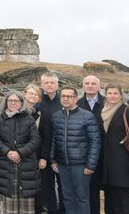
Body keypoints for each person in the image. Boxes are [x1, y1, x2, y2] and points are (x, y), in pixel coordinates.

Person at [50, 86, 101, 214]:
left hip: (81, 166)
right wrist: (52, 160)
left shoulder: (87, 116)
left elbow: (95, 142)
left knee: (82, 198)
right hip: (62, 165)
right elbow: (54, 139)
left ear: (76, 98)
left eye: (69, 96)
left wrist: (90, 165)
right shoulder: (56, 116)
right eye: (63, 96)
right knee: (67, 198)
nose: (65, 99)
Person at [0, 91, 41, 214]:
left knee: (26, 205)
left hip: (26, 164)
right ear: (6, 102)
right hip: (6, 164)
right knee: (9, 203)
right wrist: (7, 152)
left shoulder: (28, 118)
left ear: (21, 103)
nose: (13, 103)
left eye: (16, 100)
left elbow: (35, 139)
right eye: (10, 100)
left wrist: (20, 153)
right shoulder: (0, 118)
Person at [76, 75, 106, 214]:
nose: (90, 86)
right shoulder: (77, 103)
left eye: (93, 83)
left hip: (106, 152)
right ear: (83, 86)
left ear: (99, 86)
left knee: (105, 189)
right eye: (87, 83)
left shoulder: (107, 102)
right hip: (83, 153)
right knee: (85, 189)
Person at [36, 72, 65, 214]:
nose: (49, 85)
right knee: (46, 186)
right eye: (46, 82)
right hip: (42, 152)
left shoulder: (63, 101)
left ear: (57, 85)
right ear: (41, 85)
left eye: (52, 82)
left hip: (61, 151)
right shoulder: (37, 103)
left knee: (64, 186)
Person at [99, 84, 129, 213]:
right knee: (110, 197)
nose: (112, 96)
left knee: (123, 196)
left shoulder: (126, 110)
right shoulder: (103, 111)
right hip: (107, 162)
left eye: (115, 93)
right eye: (109, 93)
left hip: (123, 161)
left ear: (121, 95)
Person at [23, 83, 43, 214]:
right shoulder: (17, 110)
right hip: (20, 152)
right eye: (30, 93)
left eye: (36, 94)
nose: (33, 96)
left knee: (35, 186)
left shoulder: (40, 113)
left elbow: (45, 135)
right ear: (24, 94)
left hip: (35, 153)